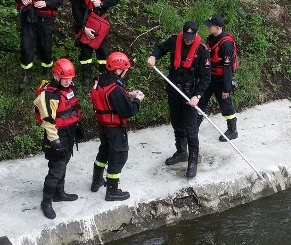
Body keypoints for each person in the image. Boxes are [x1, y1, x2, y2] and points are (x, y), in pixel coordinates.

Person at [146, 21, 211, 178]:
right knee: (176, 123)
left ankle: (193, 160)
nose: (188, 40)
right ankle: (182, 152)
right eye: (186, 37)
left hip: (190, 94)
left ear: (195, 35)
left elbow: (206, 77)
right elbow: (160, 48)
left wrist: (198, 96)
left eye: (191, 37)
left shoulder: (202, 51)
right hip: (174, 89)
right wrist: (154, 56)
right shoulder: (175, 40)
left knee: (191, 128)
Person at [90, 51, 144, 201]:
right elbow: (128, 111)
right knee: (119, 156)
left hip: (103, 125)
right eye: (125, 70)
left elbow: (109, 98)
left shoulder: (99, 80)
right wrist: (138, 100)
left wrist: (128, 94)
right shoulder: (116, 89)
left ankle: (96, 181)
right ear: (118, 70)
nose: (126, 72)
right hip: (115, 128)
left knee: (104, 151)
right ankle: (112, 191)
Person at [33, 58, 81, 219]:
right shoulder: (49, 95)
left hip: (69, 133)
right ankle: (46, 201)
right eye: (65, 78)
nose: (68, 81)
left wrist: (78, 126)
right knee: (56, 168)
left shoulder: (68, 88)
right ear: (56, 76)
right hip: (56, 135)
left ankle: (59, 193)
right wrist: (55, 141)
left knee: (64, 162)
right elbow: (48, 121)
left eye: (70, 78)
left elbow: (72, 108)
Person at [10, 0, 64, 90]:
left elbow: (59, 0)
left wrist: (46, 3)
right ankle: (26, 74)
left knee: (46, 46)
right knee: (26, 45)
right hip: (28, 16)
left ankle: (46, 72)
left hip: (44, 18)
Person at [72, 0, 119, 90]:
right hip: (85, 22)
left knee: (103, 52)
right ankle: (86, 77)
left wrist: (102, 3)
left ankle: (103, 75)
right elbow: (75, 9)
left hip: (100, 23)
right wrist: (83, 28)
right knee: (85, 53)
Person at [199, 14, 238, 141]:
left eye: (210, 26)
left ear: (218, 27)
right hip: (209, 77)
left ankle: (232, 130)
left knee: (226, 105)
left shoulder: (226, 44)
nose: (208, 27)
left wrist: (226, 88)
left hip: (221, 80)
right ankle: (194, 125)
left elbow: (227, 68)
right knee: (200, 101)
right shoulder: (210, 39)